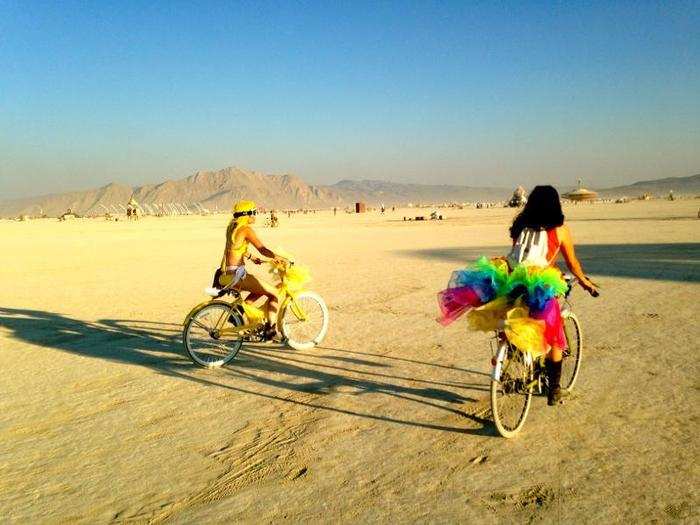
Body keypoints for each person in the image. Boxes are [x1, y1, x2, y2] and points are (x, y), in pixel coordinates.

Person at [437, 185, 598, 406]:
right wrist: (585, 282)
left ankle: (515, 352)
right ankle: (554, 390)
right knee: (554, 334)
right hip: (539, 283)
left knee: (513, 314)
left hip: (511, 279)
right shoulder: (560, 230)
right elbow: (573, 264)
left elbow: (520, 255)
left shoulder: (520, 225)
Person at [219, 200, 287, 339]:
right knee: (274, 294)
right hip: (238, 275)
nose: (256, 215)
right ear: (247, 214)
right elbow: (262, 249)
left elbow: (234, 249)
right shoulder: (246, 230)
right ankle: (271, 330)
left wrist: (251, 257)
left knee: (260, 289)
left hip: (228, 273)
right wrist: (278, 257)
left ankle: (239, 311)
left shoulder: (233, 228)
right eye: (254, 212)